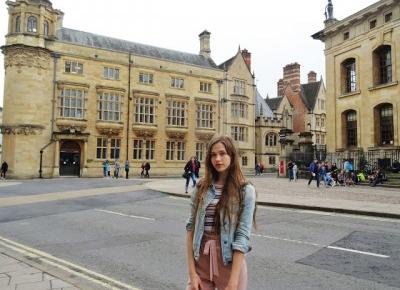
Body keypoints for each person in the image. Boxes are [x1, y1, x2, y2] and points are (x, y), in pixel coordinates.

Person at [185, 135, 256, 290]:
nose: (218, 159)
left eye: (222, 153)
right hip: (201, 263)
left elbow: (242, 236)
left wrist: (233, 281)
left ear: (232, 155)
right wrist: (192, 273)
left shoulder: (245, 191)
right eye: (213, 155)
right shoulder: (201, 187)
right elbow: (190, 228)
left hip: (229, 265)